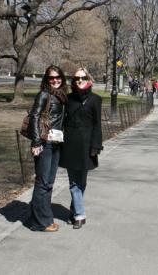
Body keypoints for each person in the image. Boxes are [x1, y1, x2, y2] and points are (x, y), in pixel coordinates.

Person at [60, 67, 103, 229]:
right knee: (73, 183)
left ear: (88, 79)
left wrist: (96, 145)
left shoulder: (95, 100)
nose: (79, 80)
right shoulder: (68, 99)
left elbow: (97, 125)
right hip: (70, 145)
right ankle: (80, 214)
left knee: (82, 182)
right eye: (76, 78)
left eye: (83, 78)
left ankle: (74, 208)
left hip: (87, 146)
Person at [28, 65, 67, 232]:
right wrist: (36, 143)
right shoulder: (44, 94)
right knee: (43, 182)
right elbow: (34, 117)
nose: (55, 80)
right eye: (51, 78)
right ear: (46, 79)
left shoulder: (61, 96)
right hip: (45, 143)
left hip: (56, 142)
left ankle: (44, 216)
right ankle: (40, 222)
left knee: (49, 182)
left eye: (58, 77)